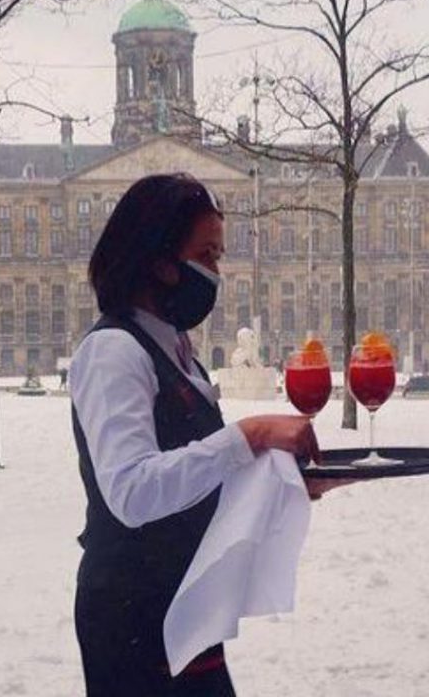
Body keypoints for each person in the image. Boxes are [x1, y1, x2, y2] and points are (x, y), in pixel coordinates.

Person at [70, 173, 344, 697]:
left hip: (181, 600)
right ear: (158, 260)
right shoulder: (114, 352)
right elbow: (132, 491)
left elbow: (193, 477)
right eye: (208, 255)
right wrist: (252, 433)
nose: (216, 273)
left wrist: (282, 479)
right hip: (132, 613)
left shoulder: (176, 350)